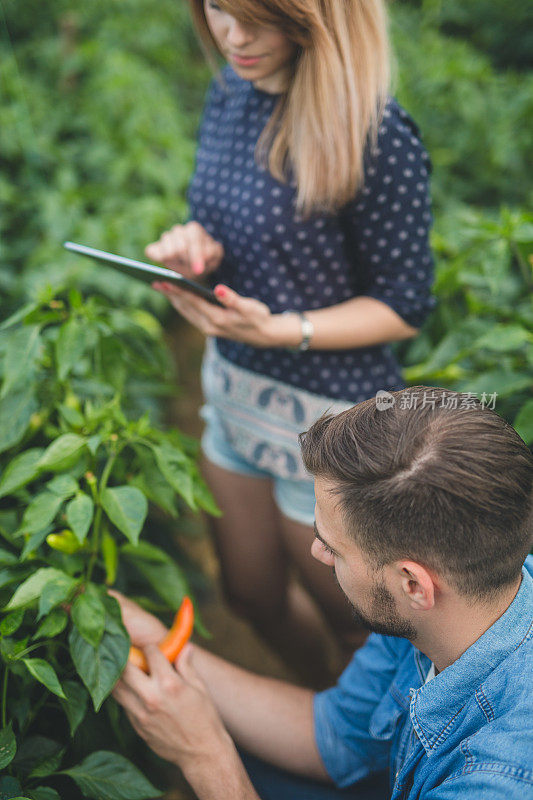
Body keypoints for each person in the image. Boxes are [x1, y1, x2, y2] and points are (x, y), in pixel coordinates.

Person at [145, 0, 436, 677]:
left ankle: (362, 748)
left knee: (351, 621)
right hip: (235, 388)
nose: (233, 35)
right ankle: (322, 712)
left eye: (260, 16)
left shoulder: (374, 131)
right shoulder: (230, 89)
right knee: (247, 593)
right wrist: (197, 247)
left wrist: (284, 330)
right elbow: (223, 217)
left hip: (324, 422)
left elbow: (403, 305)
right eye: (218, 7)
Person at [112, 386, 533, 800]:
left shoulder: (499, 777)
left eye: (334, 546)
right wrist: (162, 644)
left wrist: (204, 756)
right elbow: (337, 734)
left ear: (413, 585)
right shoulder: (447, 615)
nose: (318, 552)